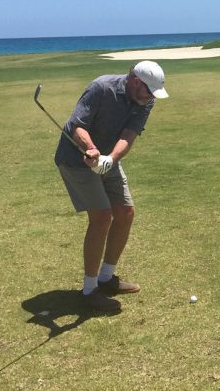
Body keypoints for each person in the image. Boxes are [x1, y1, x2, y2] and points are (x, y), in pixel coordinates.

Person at [54, 60, 168, 313]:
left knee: (125, 213)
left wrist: (109, 160)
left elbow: (129, 135)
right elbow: (77, 126)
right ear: (135, 82)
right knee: (102, 217)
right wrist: (92, 151)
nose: (151, 97)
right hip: (76, 160)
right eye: (148, 90)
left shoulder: (146, 100)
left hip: (107, 159)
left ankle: (106, 278)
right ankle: (89, 290)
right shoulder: (101, 87)